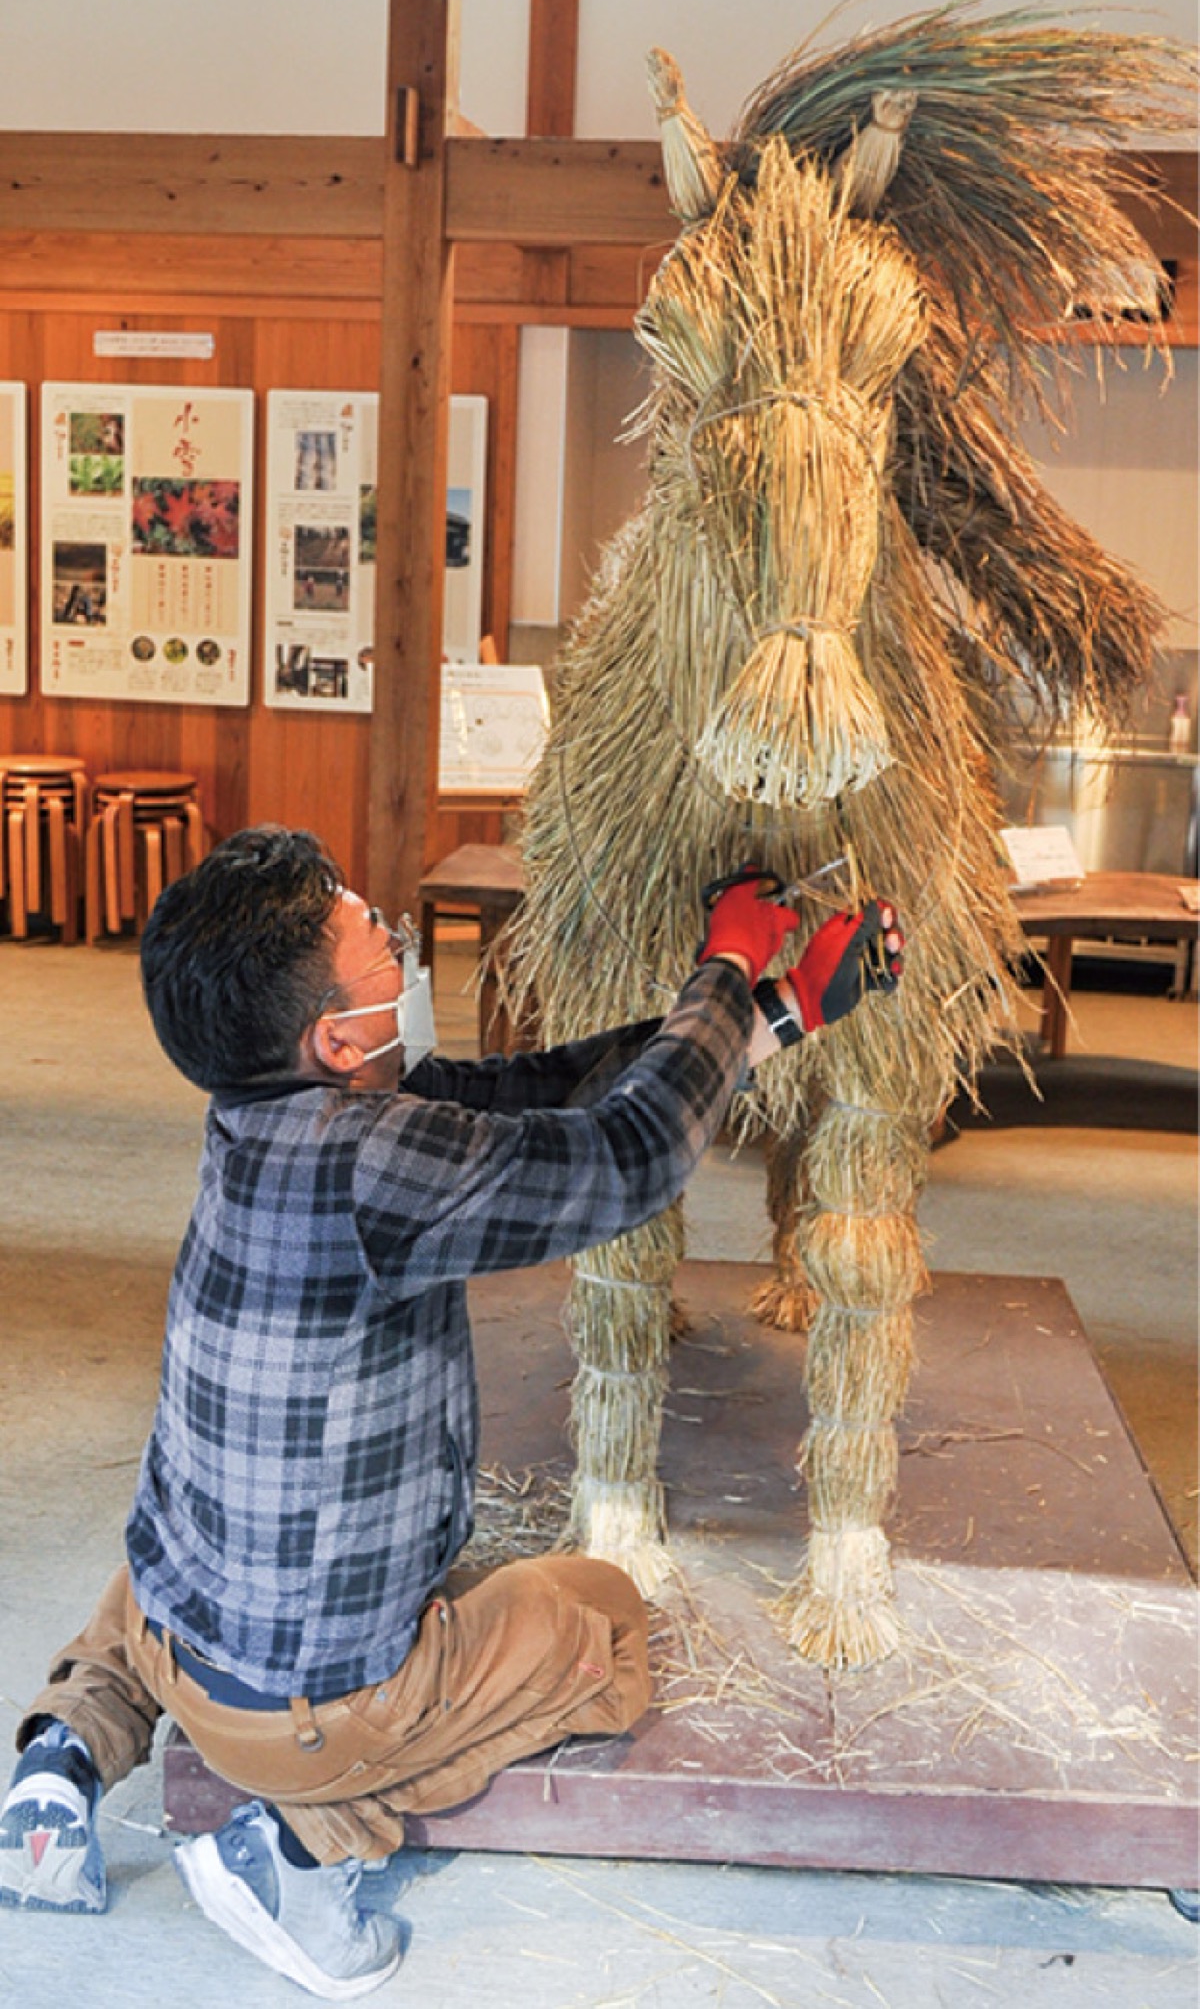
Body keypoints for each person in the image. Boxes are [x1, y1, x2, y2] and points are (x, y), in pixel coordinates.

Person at [0, 827, 902, 1999]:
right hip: (315, 1711)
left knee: (174, 1539)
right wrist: (725, 969)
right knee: (601, 1622)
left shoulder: (262, 1112)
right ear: (335, 1036)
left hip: (180, 1642)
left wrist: (774, 1009)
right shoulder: (378, 1163)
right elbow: (623, 1159)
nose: (397, 940)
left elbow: (534, 1097)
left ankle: (60, 1761)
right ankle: (299, 1844)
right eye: (375, 936)